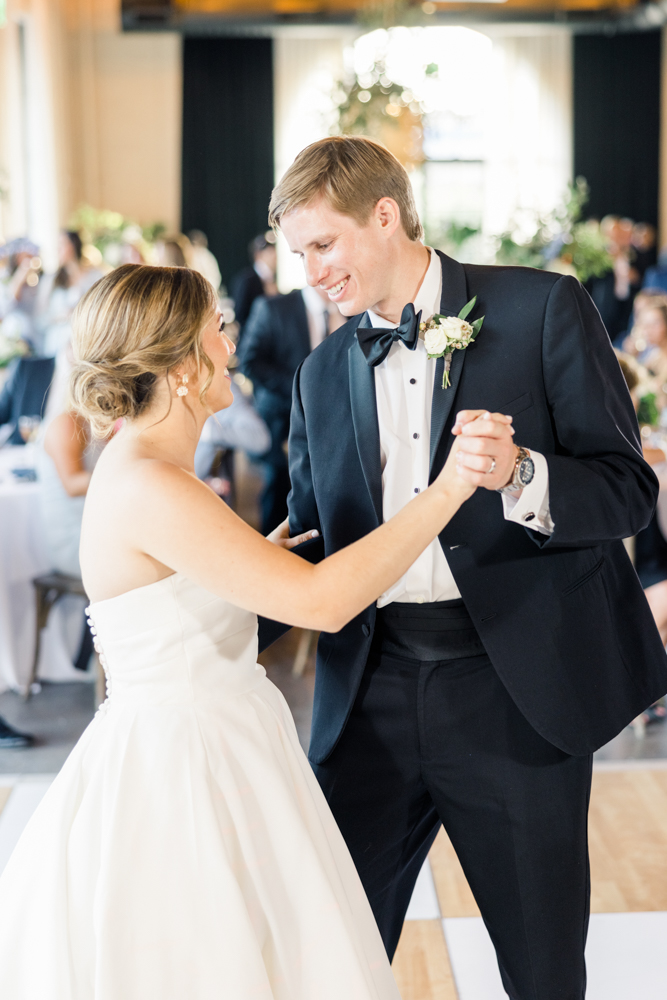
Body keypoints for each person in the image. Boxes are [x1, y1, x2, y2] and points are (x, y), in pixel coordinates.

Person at [262, 135, 667, 999]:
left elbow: (628, 492)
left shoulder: (544, 310)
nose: (312, 273)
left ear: (384, 214)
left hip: (514, 692)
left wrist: (524, 475)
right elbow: (305, 543)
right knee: (333, 957)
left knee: (542, 967)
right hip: (364, 699)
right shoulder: (320, 371)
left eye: (323, 245)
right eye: (299, 255)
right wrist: (189, 615)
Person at [0, 263, 474, 997]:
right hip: (183, 771)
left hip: (214, 739)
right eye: (215, 332)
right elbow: (320, 604)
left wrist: (254, 564)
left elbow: (188, 595)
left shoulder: (153, 469)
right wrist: (449, 488)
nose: (229, 346)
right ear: (181, 366)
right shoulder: (153, 483)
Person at [239, 285, 343, 533]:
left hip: (330, 421)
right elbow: (249, 361)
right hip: (280, 418)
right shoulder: (273, 307)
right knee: (279, 489)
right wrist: (300, 389)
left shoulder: (348, 311)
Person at [35, 230, 103, 358]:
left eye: (62, 244)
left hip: (85, 337)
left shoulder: (95, 276)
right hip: (57, 341)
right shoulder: (51, 280)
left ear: (73, 245)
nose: (57, 249)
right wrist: (61, 317)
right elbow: (40, 317)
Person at [230, 232, 278, 342]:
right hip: (251, 340)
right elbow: (240, 314)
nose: (274, 255)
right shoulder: (246, 280)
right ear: (258, 255)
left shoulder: (272, 280)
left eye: (274, 250)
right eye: (269, 251)